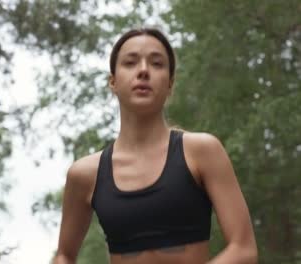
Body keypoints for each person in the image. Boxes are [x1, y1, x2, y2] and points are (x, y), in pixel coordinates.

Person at [53, 28, 258, 264]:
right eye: (130, 63)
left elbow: (244, 249)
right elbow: (64, 256)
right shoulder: (85, 174)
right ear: (113, 82)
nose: (143, 70)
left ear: (170, 84)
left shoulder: (202, 152)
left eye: (157, 63)